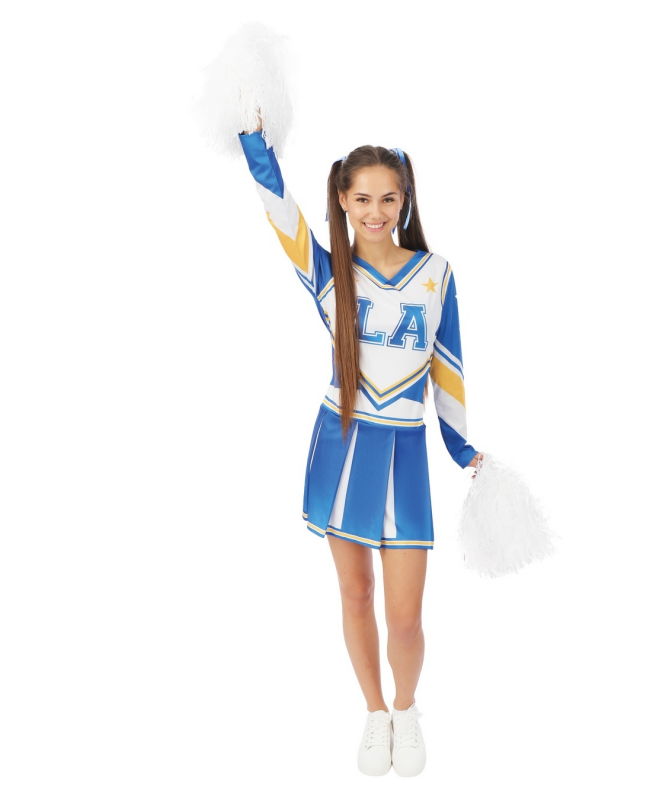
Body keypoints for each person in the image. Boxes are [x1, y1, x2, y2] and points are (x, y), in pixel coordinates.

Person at [238, 113, 482, 777]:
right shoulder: (329, 272)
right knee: (355, 593)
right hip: (341, 446)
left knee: (405, 618)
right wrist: (253, 141)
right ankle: (374, 712)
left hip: (405, 454)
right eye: (363, 198)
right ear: (343, 200)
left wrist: (462, 447)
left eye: (389, 198)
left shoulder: (436, 273)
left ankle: (406, 708)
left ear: (405, 201)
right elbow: (280, 213)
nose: (376, 212)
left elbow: (449, 367)